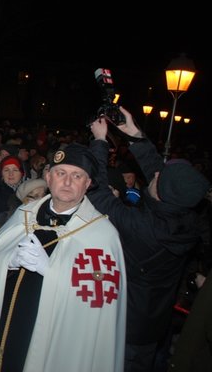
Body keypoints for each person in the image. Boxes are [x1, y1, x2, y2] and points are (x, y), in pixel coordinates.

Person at [0, 143, 127, 372]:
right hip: (4, 329)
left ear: (88, 184)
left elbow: (98, 309)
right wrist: (6, 263)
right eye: (60, 173)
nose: (67, 182)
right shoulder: (24, 214)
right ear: (48, 177)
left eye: (77, 176)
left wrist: (53, 273)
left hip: (54, 344)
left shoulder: (102, 235)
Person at [89, 107, 210, 372]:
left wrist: (99, 141)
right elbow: (158, 171)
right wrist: (133, 132)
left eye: (159, 178)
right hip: (152, 324)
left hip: (125, 329)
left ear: (162, 194)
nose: (155, 173)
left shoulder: (146, 228)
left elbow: (99, 193)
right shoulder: (186, 218)